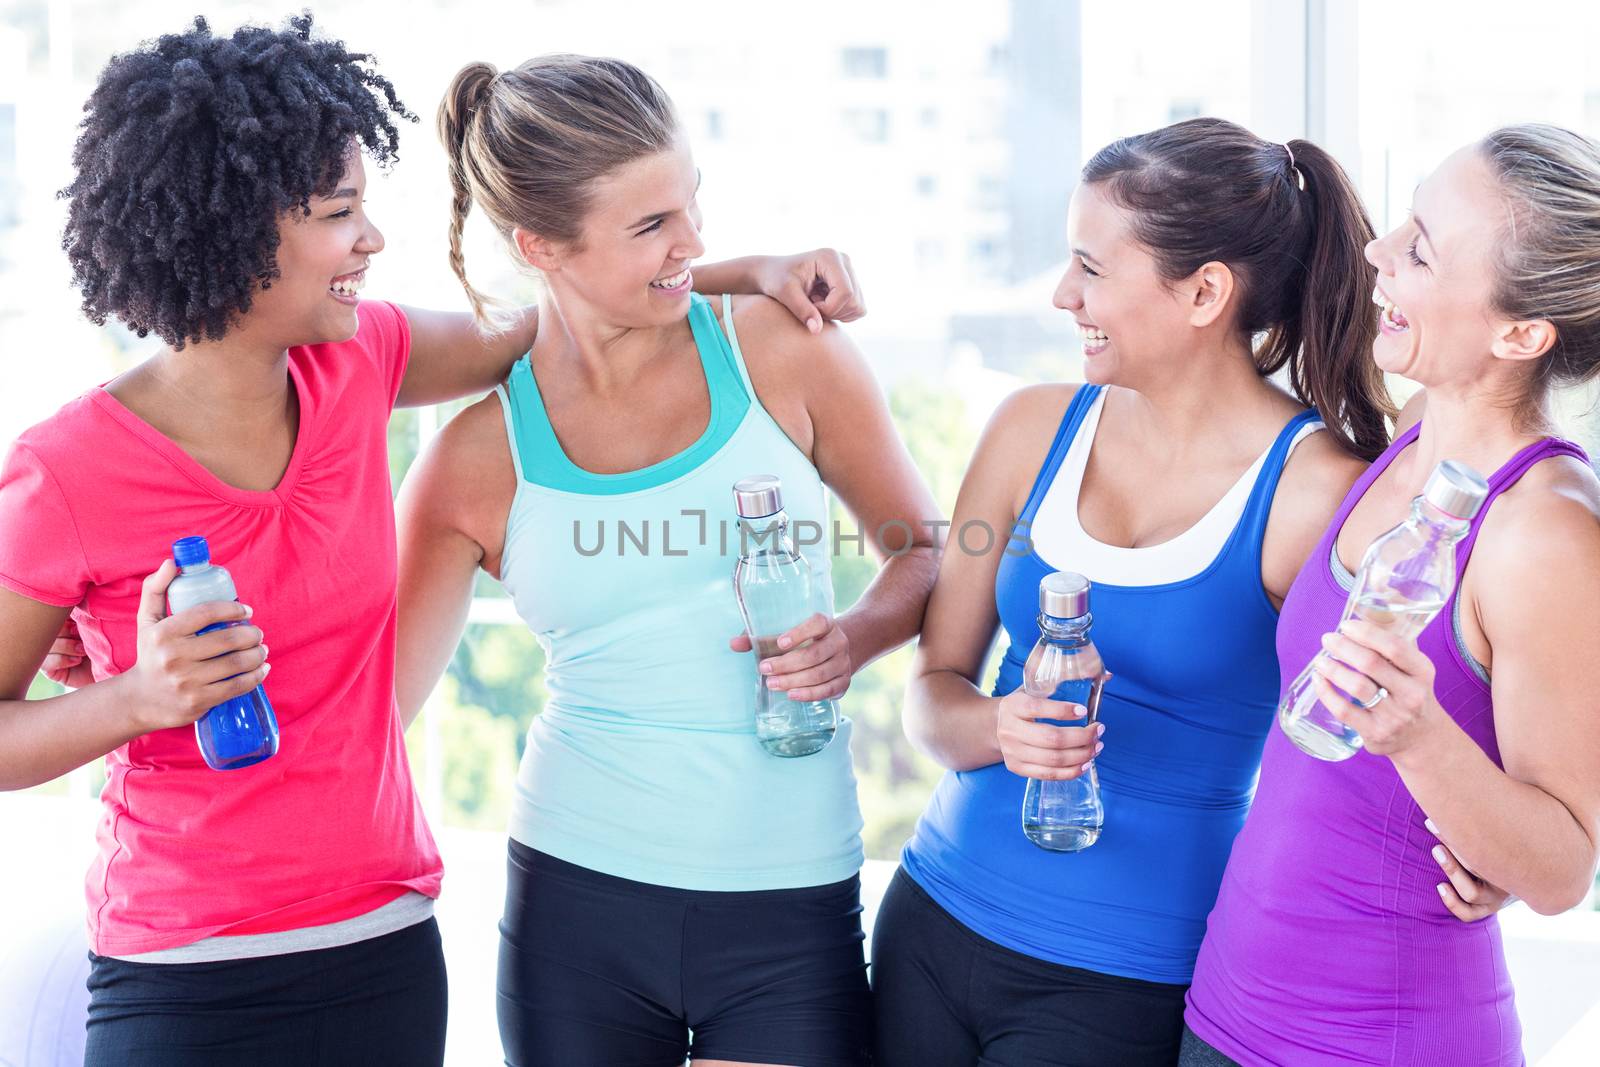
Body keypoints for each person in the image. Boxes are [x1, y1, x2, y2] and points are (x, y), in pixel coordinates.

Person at [0, 17, 867, 1066]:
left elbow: (557, 307)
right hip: (182, 965)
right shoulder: (67, 470)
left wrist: (748, 267)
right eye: (339, 215)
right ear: (232, 234)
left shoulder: (361, 359)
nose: (371, 239)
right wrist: (128, 699)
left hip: (381, 944)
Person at [393, 54, 942, 1067]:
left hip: (787, 893)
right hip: (576, 898)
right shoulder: (476, 454)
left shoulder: (780, 348)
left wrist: (852, 639)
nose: (692, 242)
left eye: (691, 203)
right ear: (539, 245)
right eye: (650, 226)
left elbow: (925, 551)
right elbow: (373, 704)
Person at [871, 117, 1408, 1066]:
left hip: (1125, 978)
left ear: (1204, 291)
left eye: (1090, 266)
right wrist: (1001, 727)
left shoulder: (1315, 491)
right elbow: (933, 689)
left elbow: (1391, 721)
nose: (1061, 293)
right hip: (929, 922)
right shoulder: (1030, 427)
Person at [1182, 124, 1600, 1067]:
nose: (1378, 252)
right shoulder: (1413, 432)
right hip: (1226, 1013)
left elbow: (1563, 866)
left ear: (1522, 333)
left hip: (1383, 1040)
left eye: (1419, 248)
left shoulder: (1546, 531)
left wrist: (1418, 736)